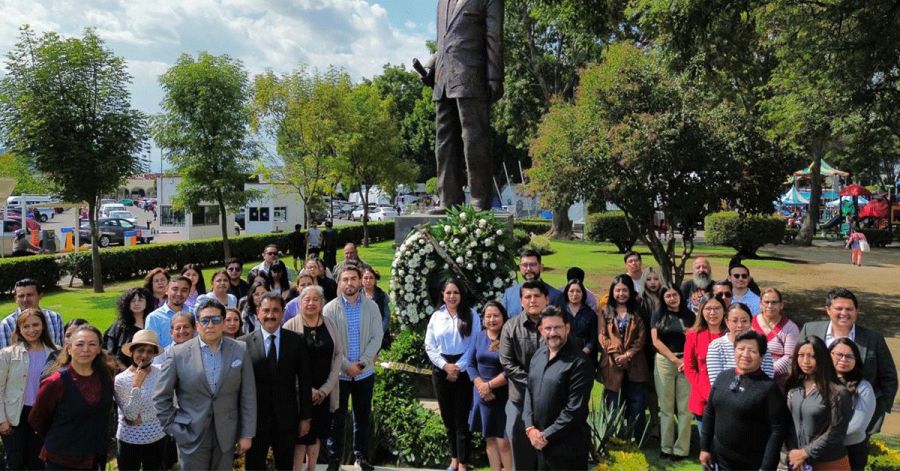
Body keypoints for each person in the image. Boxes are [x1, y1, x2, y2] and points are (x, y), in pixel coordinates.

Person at [153, 299, 257, 471]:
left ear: (223, 323)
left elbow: (248, 395)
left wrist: (246, 433)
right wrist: (174, 429)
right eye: (205, 320)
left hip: (226, 434)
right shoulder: (177, 354)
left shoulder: (240, 349)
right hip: (190, 434)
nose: (210, 325)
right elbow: (160, 398)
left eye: (216, 320)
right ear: (197, 324)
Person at [419, 0, 503, 211]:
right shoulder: (442, 2)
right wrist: (430, 66)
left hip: (472, 76)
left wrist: (495, 77)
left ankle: (479, 201)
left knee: (474, 140)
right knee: (444, 143)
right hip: (442, 79)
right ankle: (448, 200)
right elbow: (445, 42)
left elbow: (494, 38)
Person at [799, 287, 897, 434]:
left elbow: (889, 378)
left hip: (857, 417)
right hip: (814, 412)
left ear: (856, 311)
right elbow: (796, 365)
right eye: (839, 308)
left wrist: (879, 410)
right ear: (828, 310)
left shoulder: (873, 339)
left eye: (849, 309)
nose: (844, 313)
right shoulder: (810, 330)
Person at [239, 293, 312, 471]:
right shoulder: (243, 344)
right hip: (255, 422)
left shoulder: (296, 340)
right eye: (266, 310)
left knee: (285, 466)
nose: (270, 315)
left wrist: (305, 417)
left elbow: (305, 381)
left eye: (275, 310)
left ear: (282, 312)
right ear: (258, 312)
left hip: (286, 420)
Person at [699, 330, 788, 470]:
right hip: (720, 460)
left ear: (761, 356)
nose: (745, 354)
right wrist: (704, 448)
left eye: (752, 351)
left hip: (751, 463)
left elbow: (777, 430)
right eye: (741, 348)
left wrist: (766, 467)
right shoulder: (723, 377)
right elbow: (710, 413)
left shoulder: (769, 389)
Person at [29, 325, 114, 470]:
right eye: (80, 344)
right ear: (68, 348)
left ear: (99, 349)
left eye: (92, 344)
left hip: (95, 457)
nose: (85, 349)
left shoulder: (106, 377)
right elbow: (37, 419)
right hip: (62, 459)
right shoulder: (55, 382)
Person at [323, 265, 383, 471]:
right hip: (339, 375)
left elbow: (377, 337)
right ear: (339, 283)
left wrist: (363, 362)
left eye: (353, 279)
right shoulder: (329, 309)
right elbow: (330, 343)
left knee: (362, 417)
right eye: (345, 279)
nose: (349, 283)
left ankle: (361, 457)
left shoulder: (372, 307)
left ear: (360, 281)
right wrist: (347, 366)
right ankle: (334, 459)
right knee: (336, 420)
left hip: (365, 373)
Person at [523, 306, 593, 470]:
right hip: (539, 444)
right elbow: (529, 392)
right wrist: (530, 428)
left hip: (568, 449)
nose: (552, 332)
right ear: (541, 330)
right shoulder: (538, 355)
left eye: (557, 327)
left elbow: (574, 409)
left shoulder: (580, 363)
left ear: (567, 328)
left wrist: (544, 436)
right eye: (548, 328)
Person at [284, 286, 343, 471]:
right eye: (306, 299)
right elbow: (286, 365)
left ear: (322, 303)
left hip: (324, 394)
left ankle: (312, 468)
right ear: (299, 303)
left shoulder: (330, 324)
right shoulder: (290, 326)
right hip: (300, 394)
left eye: (315, 299)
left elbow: (338, 356)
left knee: (316, 435)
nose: (311, 303)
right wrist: (306, 390)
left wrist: (325, 389)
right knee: (301, 437)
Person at [425, 279, 481, 471]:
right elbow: (429, 346)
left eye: (455, 292)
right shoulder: (436, 316)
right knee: (448, 418)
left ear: (461, 294)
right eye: (448, 293)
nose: (451, 296)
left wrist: (457, 367)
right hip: (441, 370)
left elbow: (474, 344)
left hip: (463, 370)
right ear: (442, 294)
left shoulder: (472, 315)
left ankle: (464, 462)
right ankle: (454, 459)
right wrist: (445, 366)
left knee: (461, 419)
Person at [499, 279, 550, 470]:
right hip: (519, 399)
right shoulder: (511, 327)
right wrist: (533, 381)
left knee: (548, 454)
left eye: (537, 296)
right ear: (521, 301)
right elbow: (507, 362)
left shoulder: (555, 326)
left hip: (549, 401)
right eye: (527, 297)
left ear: (547, 299)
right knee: (521, 456)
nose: (532, 300)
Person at [0, 309, 58, 470]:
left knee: (38, 461)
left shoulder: (56, 353)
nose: (31, 330)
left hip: (42, 415)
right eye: (26, 326)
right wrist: (2, 420)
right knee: (16, 461)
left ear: (43, 326)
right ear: (19, 329)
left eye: (35, 325)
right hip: (15, 415)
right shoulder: (7, 354)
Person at [785, 336, 853, 470]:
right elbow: (787, 423)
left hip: (829, 463)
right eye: (801, 355)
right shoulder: (793, 387)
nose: (805, 361)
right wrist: (793, 453)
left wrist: (805, 452)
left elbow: (836, 432)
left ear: (822, 358)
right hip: (797, 461)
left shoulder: (838, 392)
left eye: (812, 356)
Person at [599, 275, 649, 439]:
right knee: (613, 401)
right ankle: (613, 436)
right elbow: (602, 336)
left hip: (635, 362)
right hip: (612, 363)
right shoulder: (605, 311)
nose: (621, 293)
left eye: (625, 290)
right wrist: (615, 353)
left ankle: (635, 436)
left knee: (636, 402)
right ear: (612, 291)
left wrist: (628, 354)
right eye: (618, 290)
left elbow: (642, 336)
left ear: (630, 291)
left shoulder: (637, 310)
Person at [650, 287, 695, 460]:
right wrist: (675, 360)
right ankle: (666, 447)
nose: (671, 298)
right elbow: (655, 341)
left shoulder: (689, 315)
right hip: (665, 362)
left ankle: (681, 449)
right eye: (667, 296)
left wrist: (686, 361)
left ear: (680, 296)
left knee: (684, 408)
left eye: (674, 295)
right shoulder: (657, 315)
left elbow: (693, 339)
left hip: (687, 362)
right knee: (666, 406)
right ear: (663, 298)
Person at [466, 301, 512, 471]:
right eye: (488, 316)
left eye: (496, 316)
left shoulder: (509, 338)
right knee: (490, 439)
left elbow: (511, 369)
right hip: (481, 395)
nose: (492, 319)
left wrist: (490, 386)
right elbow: (470, 364)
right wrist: (481, 386)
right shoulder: (479, 336)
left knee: (504, 442)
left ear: (503, 317)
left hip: (502, 395)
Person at [113, 330, 166, 471]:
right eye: (140, 350)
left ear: (155, 354)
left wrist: (143, 418)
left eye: (150, 351)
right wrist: (136, 386)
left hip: (157, 435)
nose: (144, 355)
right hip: (130, 439)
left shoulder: (161, 373)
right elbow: (130, 416)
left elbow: (170, 405)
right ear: (132, 352)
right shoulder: (121, 380)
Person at [683, 294, 727, 437]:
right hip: (702, 398)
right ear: (701, 311)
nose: (712, 313)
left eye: (717, 308)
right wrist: (707, 393)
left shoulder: (732, 335)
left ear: (724, 310)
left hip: (729, 398)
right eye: (708, 308)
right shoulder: (693, 335)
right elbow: (689, 368)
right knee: (708, 447)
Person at [830, 338, 876, 470]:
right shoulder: (817, 382)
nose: (844, 359)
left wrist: (824, 440)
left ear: (856, 360)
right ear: (829, 354)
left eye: (850, 356)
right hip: (815, 449)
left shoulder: (863, 387)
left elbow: (857, 426)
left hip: (850, 451)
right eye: (839, 354)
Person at [706, 303, 775, 385]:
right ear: (727, 322)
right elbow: (717, 383)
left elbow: (769, 376)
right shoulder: (716, 346)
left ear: (750, 322)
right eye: (735, 321)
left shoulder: (761, 344)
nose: (740, 325)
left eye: (744, 321)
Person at [751, 288, 799, 386]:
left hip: (777, 380)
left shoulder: (790, 327)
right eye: (766, 302)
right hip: (750, 374)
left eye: (774, 302)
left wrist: (767, 372)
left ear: (781, 305)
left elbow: (789, 357)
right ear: (760, 304)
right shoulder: (750, 323)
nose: (770, 306)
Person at [0, 278, 64, 348]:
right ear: (16, 299)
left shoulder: (55, 318)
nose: (25, 300)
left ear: (40, 296)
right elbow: (4, 357)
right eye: (21, 296)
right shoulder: (7, 324)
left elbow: (62, 350)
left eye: (30, 295)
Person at [103, 287, 153, 370]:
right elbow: (110, 353)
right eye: (133, 301)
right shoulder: (118, 327)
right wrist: (126, 372)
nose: (136, 303)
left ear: (147, 302)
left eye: (140, 300)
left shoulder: (152, 324)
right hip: (122, 373)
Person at [501, 249, 561, 317]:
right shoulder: (509, 294)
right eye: (525, 265)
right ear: (520, 268)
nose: (528, 269)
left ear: (541, 267)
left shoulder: (556, 296)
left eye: (532, 265)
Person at [554, 278, 597, 365]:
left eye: (578, 291)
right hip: (563, 356)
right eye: (571, 291)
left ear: (583, 293)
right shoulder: (559, 312)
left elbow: (593, 337)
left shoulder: (590, 313)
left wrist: (584, 351)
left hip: (585, 357)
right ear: (566, 293)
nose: (575, 294)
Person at [145, 276, 191, 348]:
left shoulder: (194, 314)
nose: (179, 293)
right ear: (166, 290)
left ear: (189, 293)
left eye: (184, 290)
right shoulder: (154, 318)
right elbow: (151, 348)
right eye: (175, 289)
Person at [362, 267, 392, 350]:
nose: (368, 281)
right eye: (366, 278)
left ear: (375, 280)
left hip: (380, 336)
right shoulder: (356, 296)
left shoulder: (382, 296)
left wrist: (378, 332)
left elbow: (386, 317)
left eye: (371, 278)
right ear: (361, 280)